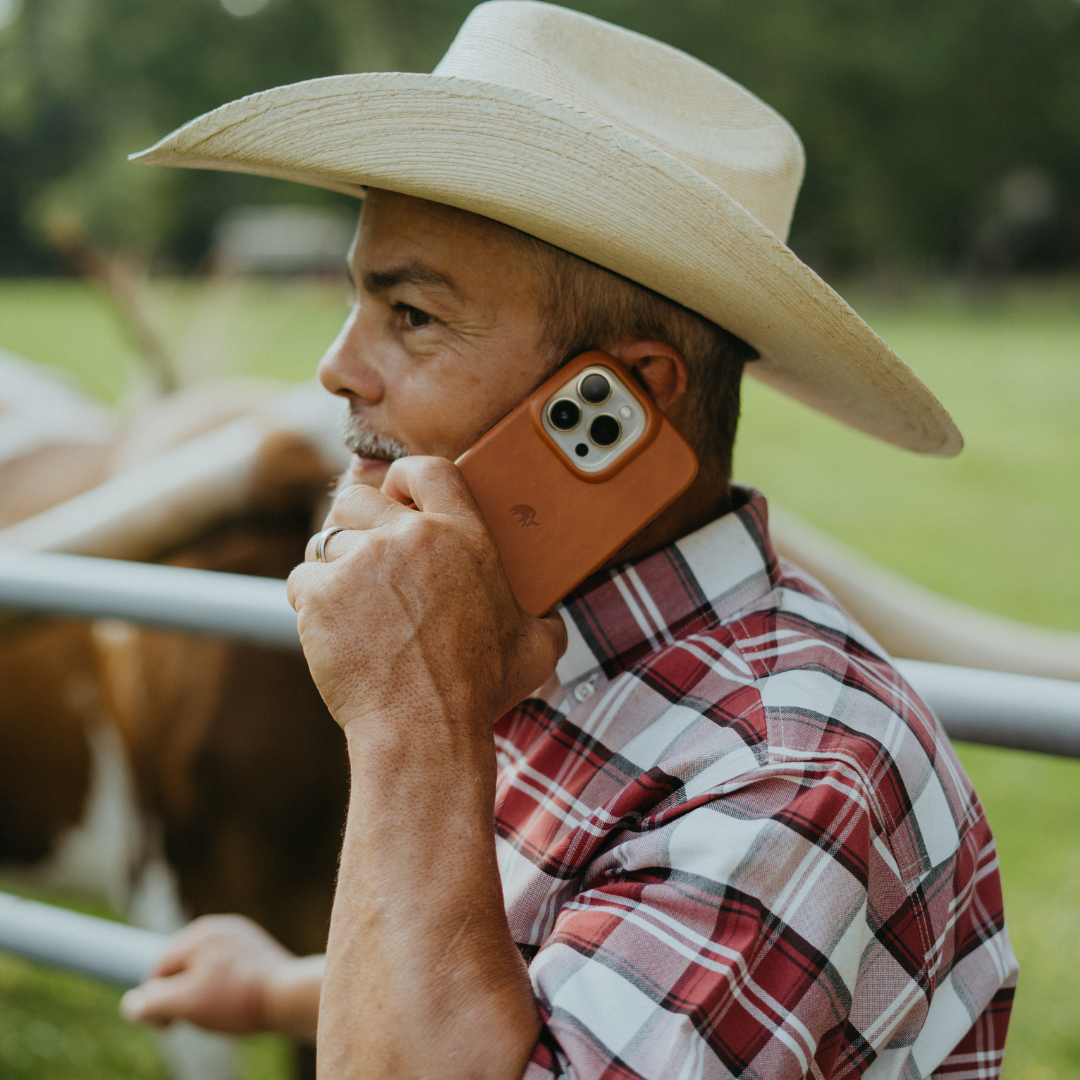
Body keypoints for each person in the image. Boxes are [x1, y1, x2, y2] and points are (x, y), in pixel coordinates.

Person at [119, 3, 1018, 1076]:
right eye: (359, 300)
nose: (337, 368)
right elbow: (554, 964)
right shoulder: (534, 639)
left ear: (618, 406)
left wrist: (411, 722)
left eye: (410, 315)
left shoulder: (786, 776)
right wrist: (279, 989)